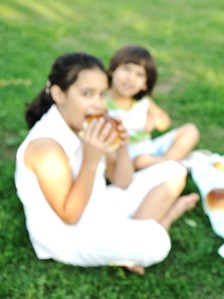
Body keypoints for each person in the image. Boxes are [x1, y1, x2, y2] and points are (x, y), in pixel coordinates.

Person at [15, 52, 199, 275]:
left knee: (173, 171)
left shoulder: (86, 122)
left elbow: (122, 181)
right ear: (59, 94)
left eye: (102, 94)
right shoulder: (46, 147)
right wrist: (91, 161)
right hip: (69, 236)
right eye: (86, 94)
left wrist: (121, 147)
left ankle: (131, 235)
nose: (98, 104)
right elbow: (69, 215)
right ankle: (169, 214)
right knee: (158, 243)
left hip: (99, 206)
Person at [106, 45, 200, 170]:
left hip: (149, 149)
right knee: (141, 161)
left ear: (145, 84)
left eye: (139, 74)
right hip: (124, 156)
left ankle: (166, 161)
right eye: (126, 69)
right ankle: (175, 164)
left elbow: (165, 122)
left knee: (190, 130)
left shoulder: (143, 102)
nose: (131, 78)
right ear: (112, 70)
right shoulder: (103, 102)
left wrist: (155, 121)